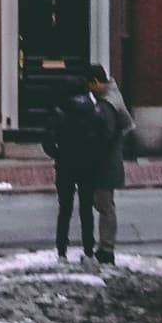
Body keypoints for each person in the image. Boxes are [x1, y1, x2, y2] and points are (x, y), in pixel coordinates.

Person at [79, 61, 135, 258]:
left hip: (105, 165)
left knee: (105, 206)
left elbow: (105, 136)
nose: (89, 90)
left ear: (95, 82)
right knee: (104, 204)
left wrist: (90, 150)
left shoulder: (106, 104)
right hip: (108, 163)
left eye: (89, 85)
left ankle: (106, 249)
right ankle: (105, 246)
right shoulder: (112, 96)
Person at [49, 80, 103, 261]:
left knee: (65, 209)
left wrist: (58, 154)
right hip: (87, 165)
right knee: (86, 209)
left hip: (65, 165)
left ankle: (62, 251)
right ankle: (88, 250)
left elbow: (47, 140)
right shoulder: (93, 111)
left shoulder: (60, 112)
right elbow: (100, 137)